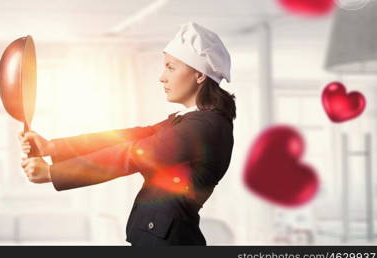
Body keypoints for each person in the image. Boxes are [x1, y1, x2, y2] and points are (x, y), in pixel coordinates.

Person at [19, 22, 235, 246]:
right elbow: (129, 137)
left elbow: (132, 154)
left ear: (199, 75)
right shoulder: (188, 120)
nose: (162, 77)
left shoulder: (204, 126)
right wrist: (52, 147)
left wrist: (53, 173)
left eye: (171, 67)